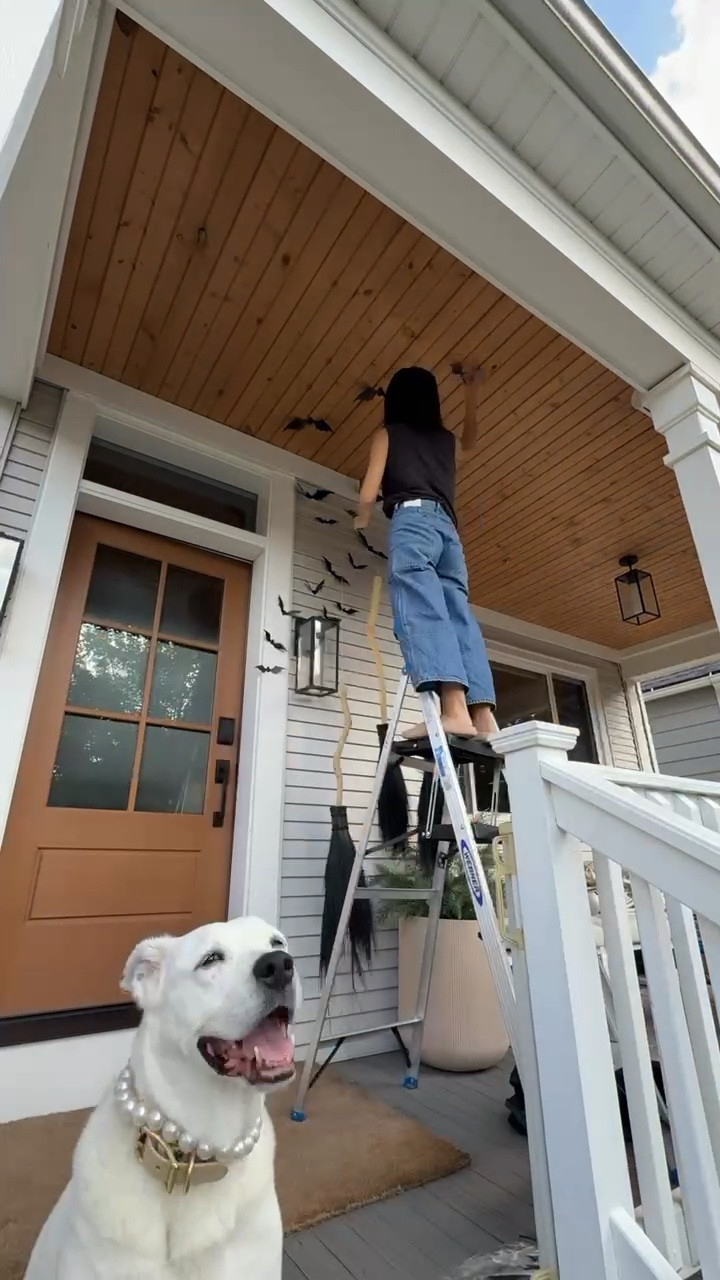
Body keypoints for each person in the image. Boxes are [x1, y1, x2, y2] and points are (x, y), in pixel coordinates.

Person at [354, 365, 498, 741]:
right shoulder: (444, 440)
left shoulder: (388, 434)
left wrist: (361, 516)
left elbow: (369, 493)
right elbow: (470, 441)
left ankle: (453, 711)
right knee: (457, 615)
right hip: (449, 530)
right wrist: (471, 392)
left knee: (422, 607)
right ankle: (483, 717)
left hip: (413, 521)